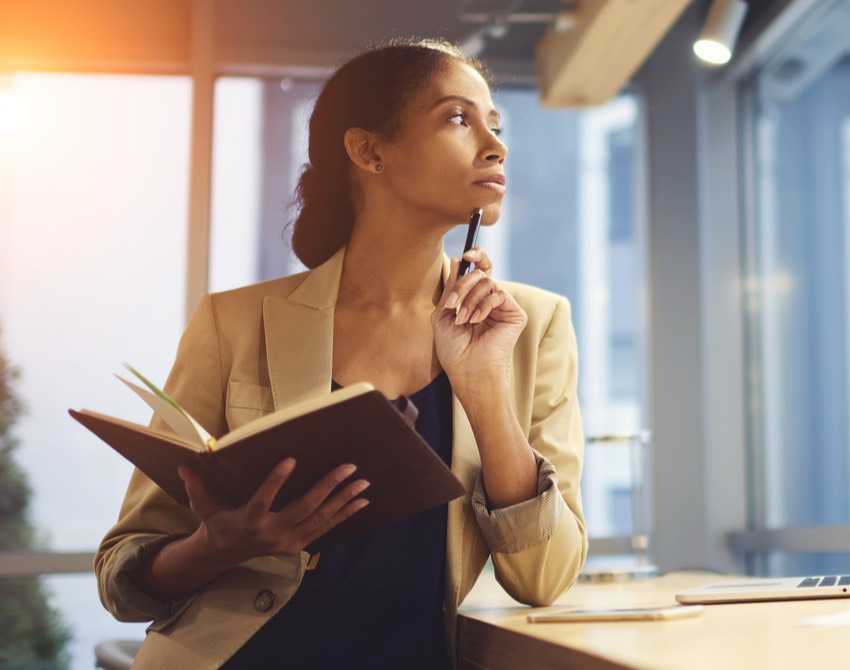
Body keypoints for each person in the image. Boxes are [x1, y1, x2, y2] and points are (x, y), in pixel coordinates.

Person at [93, 38, 587, 669]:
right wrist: (219, 545)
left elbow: (544, 579)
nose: (497, 146)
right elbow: (122, 574)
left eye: (495, 124)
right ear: (369, 151)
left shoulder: (532, 326)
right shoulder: (234, 322)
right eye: (458, 118)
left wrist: (484, 388)